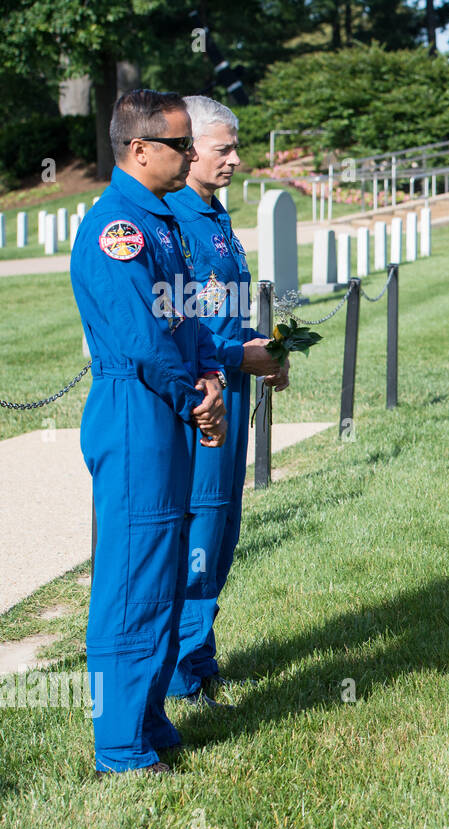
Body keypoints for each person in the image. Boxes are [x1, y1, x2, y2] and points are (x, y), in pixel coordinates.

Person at [71, 89, 237, 775]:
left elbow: (189, 317)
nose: (193, 154)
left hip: (168, 402)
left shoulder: (162, 221)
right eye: (180, 144)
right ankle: (119, 747)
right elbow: (141, 339)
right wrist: (192, 396)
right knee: (134, 578)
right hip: (137, 408)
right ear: (140, 151)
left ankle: (150, 718)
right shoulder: (119, 229)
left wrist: (210, 375)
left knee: (165, 576)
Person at [164, 95, 287, 707]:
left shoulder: (214, 216)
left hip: (233, 388)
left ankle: (201, 658)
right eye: (224, 149)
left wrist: (264, 350)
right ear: (188, 152)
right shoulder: (175, 221)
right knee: (201, 530)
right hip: (203, 397)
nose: (237, 160)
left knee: (224, 527)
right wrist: (242, 358)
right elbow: (182, 324)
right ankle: (186, 674)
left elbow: (224, 314)